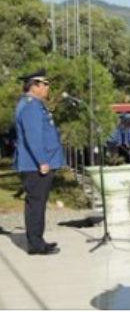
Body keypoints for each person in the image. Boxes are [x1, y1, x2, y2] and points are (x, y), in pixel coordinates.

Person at [13, 68, 63, 255]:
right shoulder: (31, 106)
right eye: (45, 84)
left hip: (36, 163)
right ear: (34, 86)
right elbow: (33, 136)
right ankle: (35, 244)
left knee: (38, 202)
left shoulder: (33, 104)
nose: (47, 88)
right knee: (36, 203)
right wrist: (42, 161)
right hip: (36, 164)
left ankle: (38, 239)